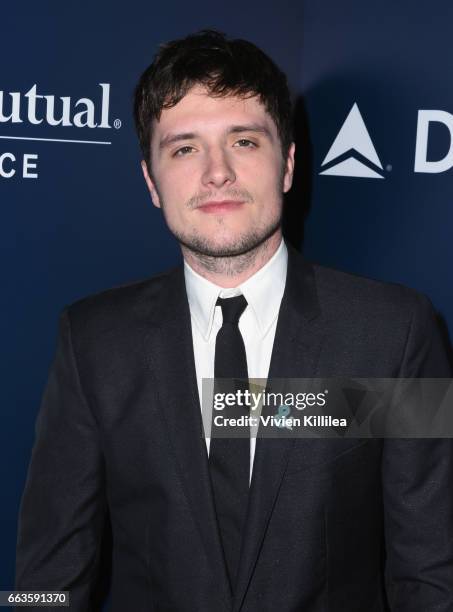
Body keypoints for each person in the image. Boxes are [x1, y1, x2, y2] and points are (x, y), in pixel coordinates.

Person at [15, 30, 453, 612]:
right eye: (184, 148)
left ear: (289, 164)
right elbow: (47, 575)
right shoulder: (93, 341)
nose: (216, 172)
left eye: (244, 141)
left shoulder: (395, 333)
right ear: (151, 182)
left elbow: (429, 570)